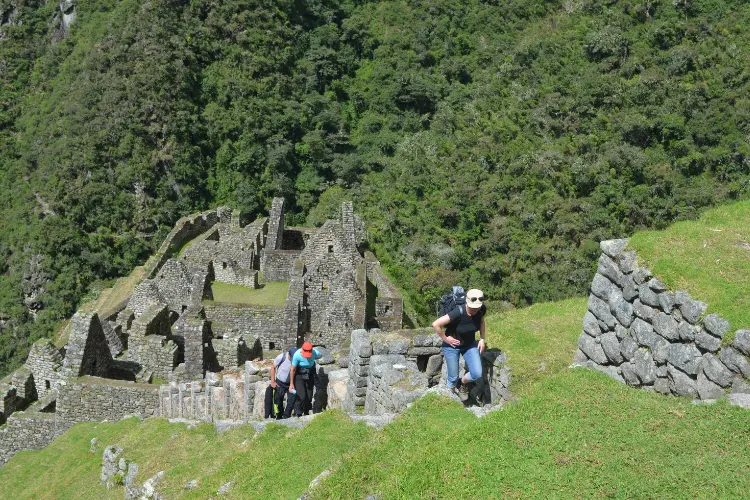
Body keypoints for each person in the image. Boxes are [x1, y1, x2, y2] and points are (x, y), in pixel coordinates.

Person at [432, 288, 487, 400]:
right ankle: (450, 399)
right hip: (451, 347)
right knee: (452, 377)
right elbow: (436, 324)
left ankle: (461, 383)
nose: (475, 310)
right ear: (467, 302)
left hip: (469, 344)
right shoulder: (458, 311)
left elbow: (481, 321)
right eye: (473, 307)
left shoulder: (480, 311)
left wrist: (482, 339)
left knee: (476, 373)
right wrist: (446, 339)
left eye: (477, 307)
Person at [288, 341, 322, 417]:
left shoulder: (315, 352)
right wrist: (291, 384)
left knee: (309, 397)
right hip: (299, 375)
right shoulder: (297, 355)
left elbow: (320, 355)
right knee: (301, 396)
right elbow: (292, 369)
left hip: (310, 374)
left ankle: (306, 412)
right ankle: (298, 413)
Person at [264, 347, 295, 419]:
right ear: (289, 355)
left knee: (292, 399)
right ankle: (279, 415)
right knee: (278, 399)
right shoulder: (281, 357)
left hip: (291, 383)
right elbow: (273, 367)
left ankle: (286, 416)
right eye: (292, 358)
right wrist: (273, 382)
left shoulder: (296, 359)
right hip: (280, 382)